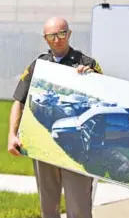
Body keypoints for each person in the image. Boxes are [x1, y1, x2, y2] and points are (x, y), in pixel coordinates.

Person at [7, 17, 103, 218]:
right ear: (45, 38)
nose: (57, 39)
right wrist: (12, 135)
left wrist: (93, 79)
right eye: (52, 35)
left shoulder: (88, 64)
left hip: (77, 149)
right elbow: (19, 101)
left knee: (79, 208)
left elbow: (105, 100)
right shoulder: (37, 66)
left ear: (69, 34)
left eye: (61, 34)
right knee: (48, 208)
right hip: (43, 146)